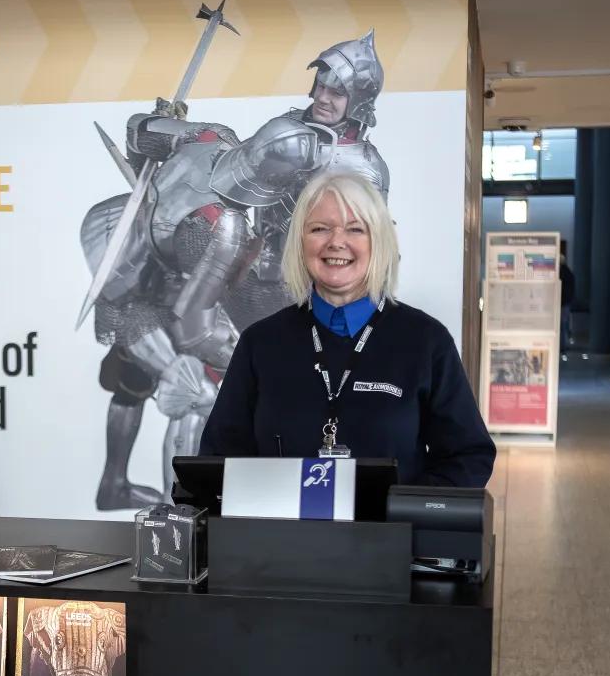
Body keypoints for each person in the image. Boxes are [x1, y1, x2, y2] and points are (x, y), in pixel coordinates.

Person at [80, 29, 391, 508]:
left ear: (360, 100)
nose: (324, 97)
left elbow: (363, 251)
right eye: (322, 85)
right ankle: (176, 513)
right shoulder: (288, 128)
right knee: (175, 378)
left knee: (217, 392)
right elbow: (205, 162)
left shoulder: (361, 167)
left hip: (289, 295)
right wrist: (166, 132)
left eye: (338, 90)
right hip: (242, 274)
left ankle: (211, 511)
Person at [198, 173, 495, 488]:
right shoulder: (260, 343)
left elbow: (469, 456)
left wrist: (403, 513)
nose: (336, 242)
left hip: (386, 536)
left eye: (355, 229)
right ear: (300, 242)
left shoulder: (425, 341)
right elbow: (219, 456)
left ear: (379, 241)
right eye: (320, 229)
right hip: (283, 536)